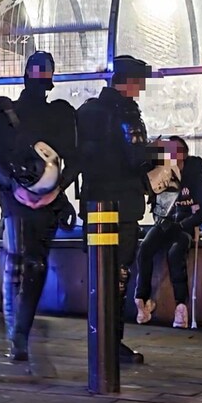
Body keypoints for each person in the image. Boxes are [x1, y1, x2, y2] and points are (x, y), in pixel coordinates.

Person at [0, 50, 79, 361]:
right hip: (18, 197)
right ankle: (17, 335)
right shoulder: (4, 110)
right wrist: (12, 185)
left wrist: (57, 190)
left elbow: (74, 158)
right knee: (19, 264)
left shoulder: (60, 114)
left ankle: (19, 333)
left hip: (44, 199)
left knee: (33, 266)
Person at [76, 54, 155, 364]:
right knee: (119, 278)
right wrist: (160, 156)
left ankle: (99, 339)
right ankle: (112, 342)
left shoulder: (87, 111)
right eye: (140, 82)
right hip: (123, 207)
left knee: (99, 275)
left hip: (94, 205)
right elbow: (138, 158)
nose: (141, 89)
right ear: (130, 81)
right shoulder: (126, 112)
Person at [134, 136, 202, 329]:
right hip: (163, 224)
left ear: (183, 154)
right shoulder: (161, 175)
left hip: (184, 227)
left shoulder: (195, 179)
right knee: (144, 249)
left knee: (175, 252)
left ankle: (181, 306)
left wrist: (186, 223)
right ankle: (142, 300)